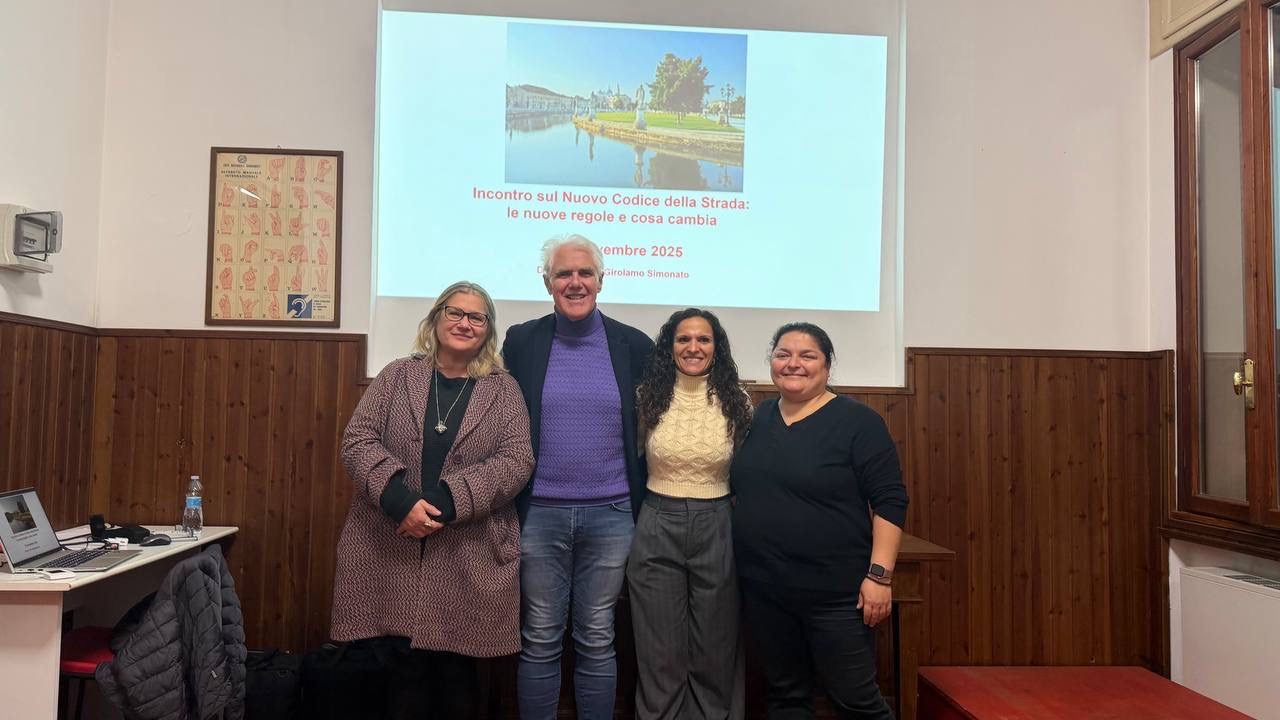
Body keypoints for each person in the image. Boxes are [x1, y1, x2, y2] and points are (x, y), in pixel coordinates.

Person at [331, 280, 534, 719]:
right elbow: (358, 440)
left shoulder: (503, 389)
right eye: (454, 312)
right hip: (390, 542)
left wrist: (445, 503)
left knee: (456, 676)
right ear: (436, 318)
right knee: (401, 670)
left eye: (476, 317)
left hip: (467, 548)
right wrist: (401, 503)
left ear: (488, 330)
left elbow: (517, 460)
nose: (464, 323)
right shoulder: (396, 376)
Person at [503, 234, 655, 720]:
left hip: (612, 514)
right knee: (540, 636)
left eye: (585, 273)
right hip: (539, 513)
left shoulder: (635, 345)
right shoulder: (522, 340)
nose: (575, 282)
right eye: (563, 274)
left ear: (601, 281)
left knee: (597, 636)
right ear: (547, 282)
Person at [731, 323, 909, 720]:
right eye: (783, 354)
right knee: (784, 697)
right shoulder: (758, 418)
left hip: (836, 596)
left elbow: (890, 500)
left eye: (807, 356)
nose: (793, 363)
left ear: (827, 365)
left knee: (856, 701)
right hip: (765, 590)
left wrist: (880, 577)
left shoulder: (859, 422)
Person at [628, 308, 753, 719]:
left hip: (717, 522)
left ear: (717, 347)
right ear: (670, 346)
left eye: (703, 339)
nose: (693, 347)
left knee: (715, 645)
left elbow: (745, 468)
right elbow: (634, 456)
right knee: (658, 647)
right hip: (657, 520)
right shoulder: (647, 397)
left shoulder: (736, 401)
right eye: (684, 339)